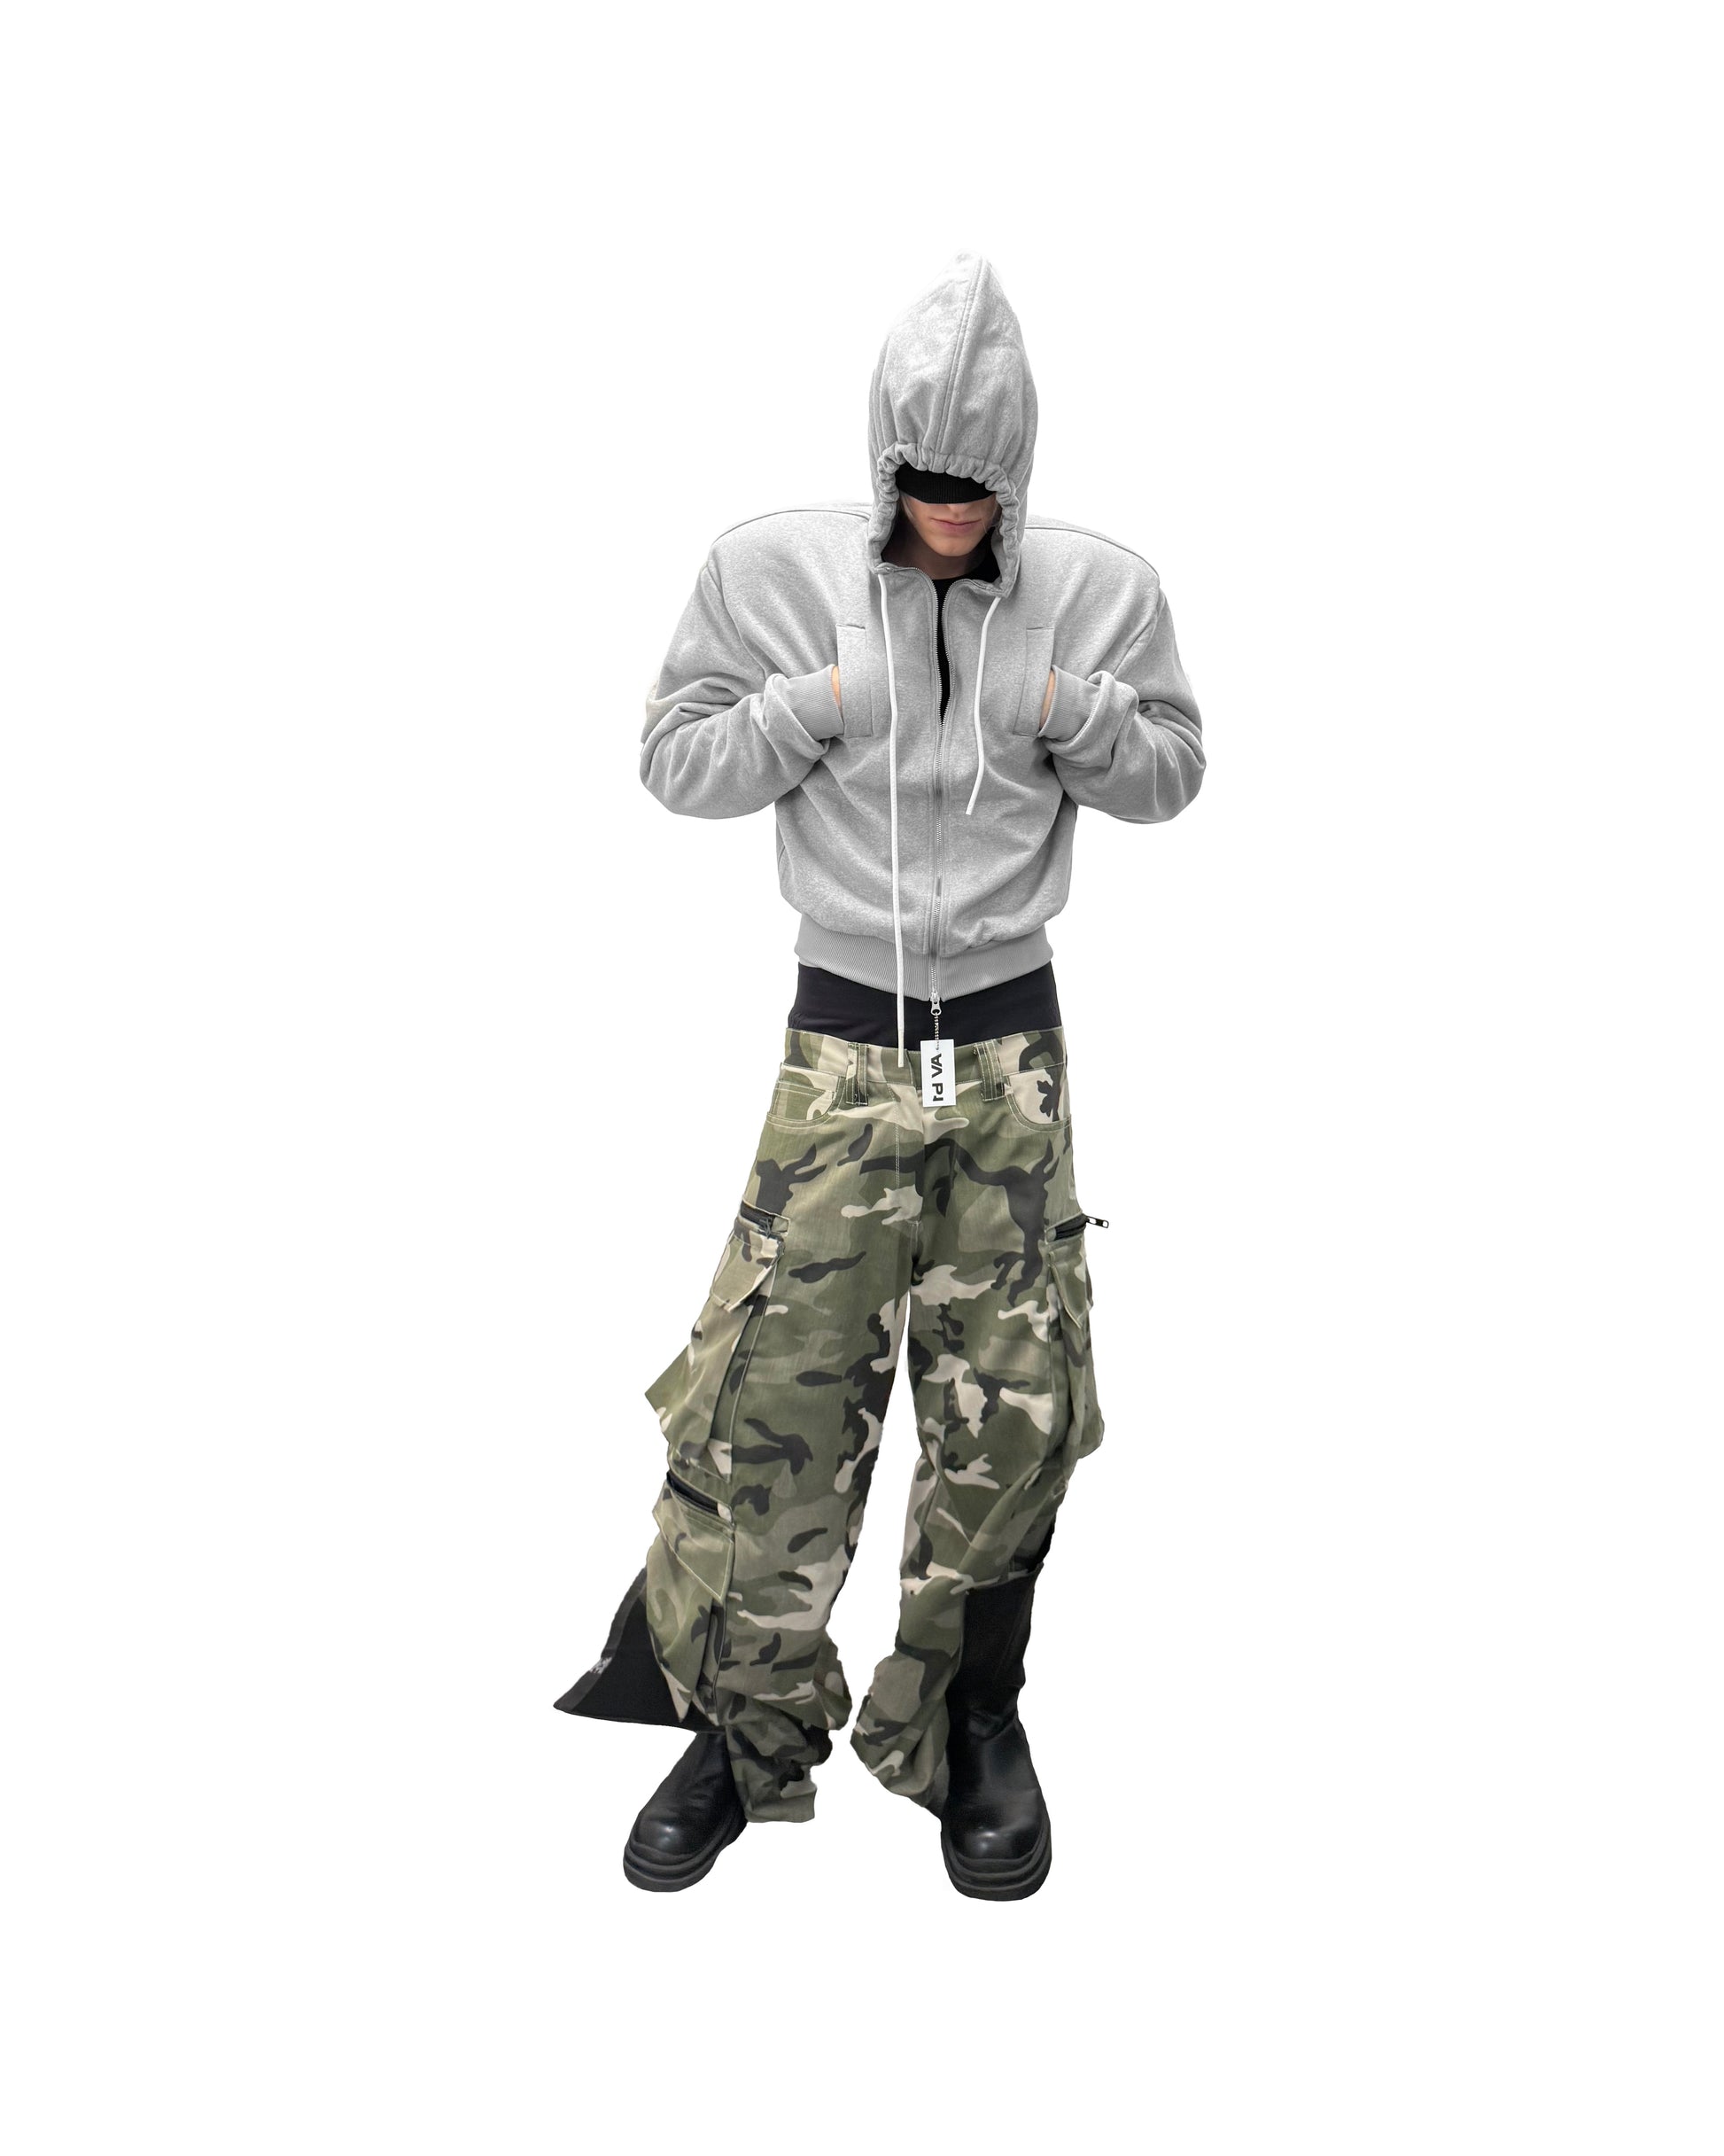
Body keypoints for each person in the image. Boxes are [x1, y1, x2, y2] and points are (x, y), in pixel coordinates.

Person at [555, 253, 1205, 1898]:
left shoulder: (1101, 588)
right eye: (923, 480)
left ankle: (967, 1723)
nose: (950, 511)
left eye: (979, 486)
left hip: (1009, 1056)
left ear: (1019, 468)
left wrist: (1060, 705)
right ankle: (737, 1727)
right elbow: (675, 760)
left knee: (1014, 1409)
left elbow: (1173, 771)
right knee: (771, 1394)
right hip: (838, 1042)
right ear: (881, 460)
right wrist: (824, 700)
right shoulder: (766, 571)